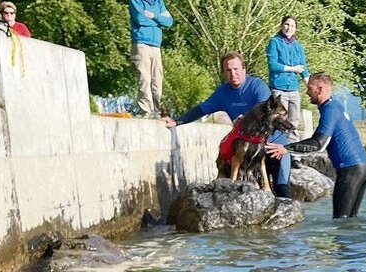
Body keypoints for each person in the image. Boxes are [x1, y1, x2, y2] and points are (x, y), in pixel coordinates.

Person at [163, 53, 291, 198]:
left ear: (244, 69)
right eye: (228, 70)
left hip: (274, 143)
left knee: (282, 190)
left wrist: (245, 119)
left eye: (236, 69)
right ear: (224, 73)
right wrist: (177, 121)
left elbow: (267, 113)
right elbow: (201, 109)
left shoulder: (257, 86)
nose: (233, 74)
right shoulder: (222, 92)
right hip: (245, 146)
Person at [284, 74, 366, 218]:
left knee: (340, 221)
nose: (306, 93)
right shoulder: (336, 105)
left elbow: (318, 144)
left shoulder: (330, 110)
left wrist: (286, 148)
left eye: (309, 88)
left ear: (319, 89)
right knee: (350, 220)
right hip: (364, 166)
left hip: (350, 169)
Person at [265, 15, 308, 143]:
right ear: (281, 25)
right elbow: (273, 65)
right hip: (278, 89)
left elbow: (303, 68)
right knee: (279, 121)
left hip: (294, 89)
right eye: (287, 24)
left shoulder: (298, 46)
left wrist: (309, 85)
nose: (289, 28)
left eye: (293, 26)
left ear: (296, 29)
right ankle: (277, 150)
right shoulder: (274, 42)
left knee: (294, 122)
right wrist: (292, 69)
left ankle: (294, 156)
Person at [129, 0, 173, 118]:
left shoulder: (159, 3)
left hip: (156, 46)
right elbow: (140, 18)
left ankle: (156, 112)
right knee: (144, 79)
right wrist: (159, 21)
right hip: (141, 43)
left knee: (157, 81)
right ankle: (146, 112)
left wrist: (153, 16)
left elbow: (169, 22)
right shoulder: (136, 1)